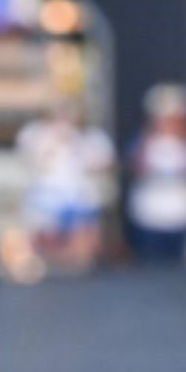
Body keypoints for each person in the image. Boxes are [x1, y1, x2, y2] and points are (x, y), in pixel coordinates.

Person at [14, 98, 114, 274]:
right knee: (42, 238)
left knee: (81, 242)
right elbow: (34, 161)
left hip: (79, 198)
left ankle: (72, 265)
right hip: (46, 198)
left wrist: (75, 144)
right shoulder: (35, 134)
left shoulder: (92, 138)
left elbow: (101, 165)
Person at [124, 82, 186, 264]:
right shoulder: (144, 142)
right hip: (149, 215)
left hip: (183, 215)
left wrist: (185, 137)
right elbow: (135, 166)